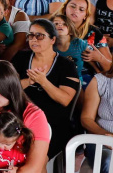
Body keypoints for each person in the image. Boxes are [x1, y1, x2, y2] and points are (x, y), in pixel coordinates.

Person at [15, 19, 80, 155]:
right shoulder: (20, 58)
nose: (34, 39)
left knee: (35, 154)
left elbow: (65, 99)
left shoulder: (66, 65)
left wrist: (43, 81)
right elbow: (7, 88)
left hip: (51, 122)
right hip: (19, 117)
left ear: (52, 39)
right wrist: (29, 81)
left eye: (39, 36)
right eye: (31, 35)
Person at [80, 36, 113, 173]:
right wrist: (109, 136)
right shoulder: (100, 81)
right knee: (111, 164)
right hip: (101, 140)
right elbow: (86, 119)